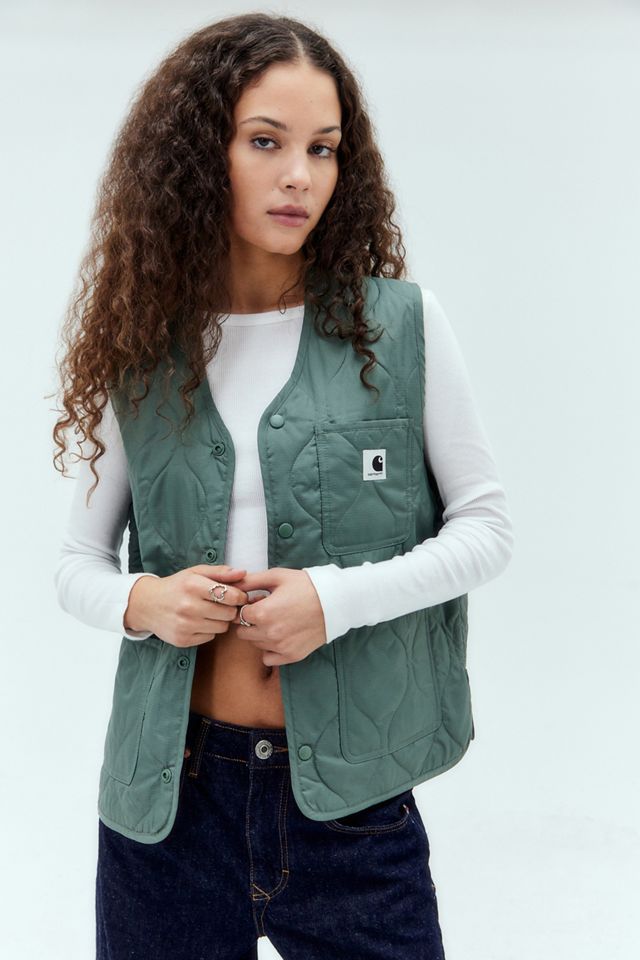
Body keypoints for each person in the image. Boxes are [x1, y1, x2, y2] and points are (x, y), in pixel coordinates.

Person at [52, 13, 513, 960]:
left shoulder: (401, 326)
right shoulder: (144, 344)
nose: (300, 175)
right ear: (198, 157)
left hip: (352, 808)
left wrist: (333, 602)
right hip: (168, 807)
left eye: (323, 148)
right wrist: (145, 602)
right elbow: (75, 564)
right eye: (266, 142)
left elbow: (486, 529)